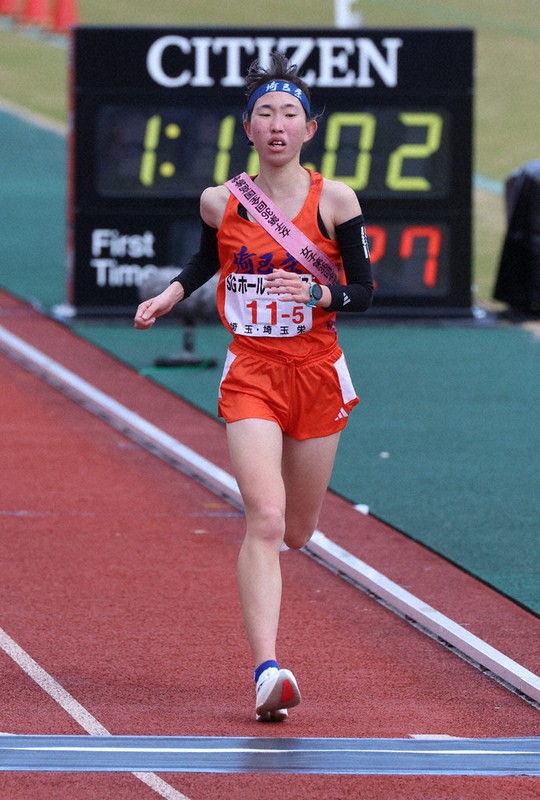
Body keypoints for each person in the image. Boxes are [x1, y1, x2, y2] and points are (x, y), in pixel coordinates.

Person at [134, 51, 374, 722]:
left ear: (309, 129)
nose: (276, 125)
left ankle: (271, 655)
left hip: (317, 374)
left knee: (297, 530)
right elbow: (208, 257)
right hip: (253, 375)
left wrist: (320, 290)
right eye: (264, 114)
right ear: (247, 127)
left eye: (289, 114)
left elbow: (366, 293)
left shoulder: (335, 200)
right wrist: (172, 295)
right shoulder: (222, 200)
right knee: (263, 519)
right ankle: (267, 671)